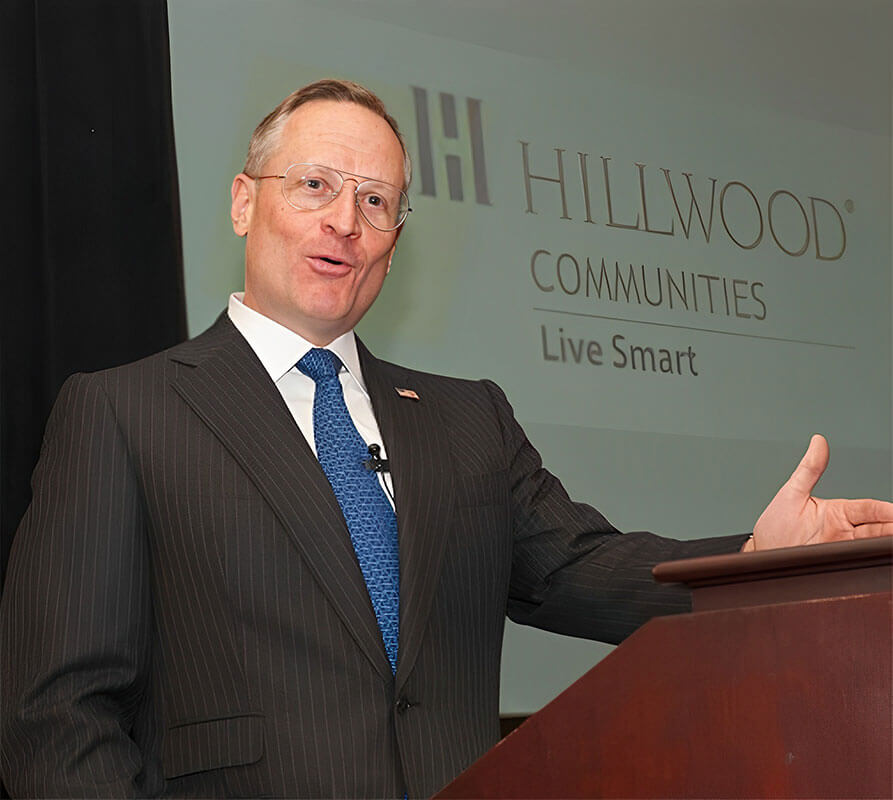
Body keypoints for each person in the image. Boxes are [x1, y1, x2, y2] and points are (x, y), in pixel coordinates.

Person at [2, 79, 891, 800]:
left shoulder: (467, 419)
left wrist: (756, 560)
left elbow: (585, 570)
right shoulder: (123, 412)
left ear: (395, 237)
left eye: (376, 200)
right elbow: (57, 718)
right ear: (244, 202)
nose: (343, 222)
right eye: (314, 185)